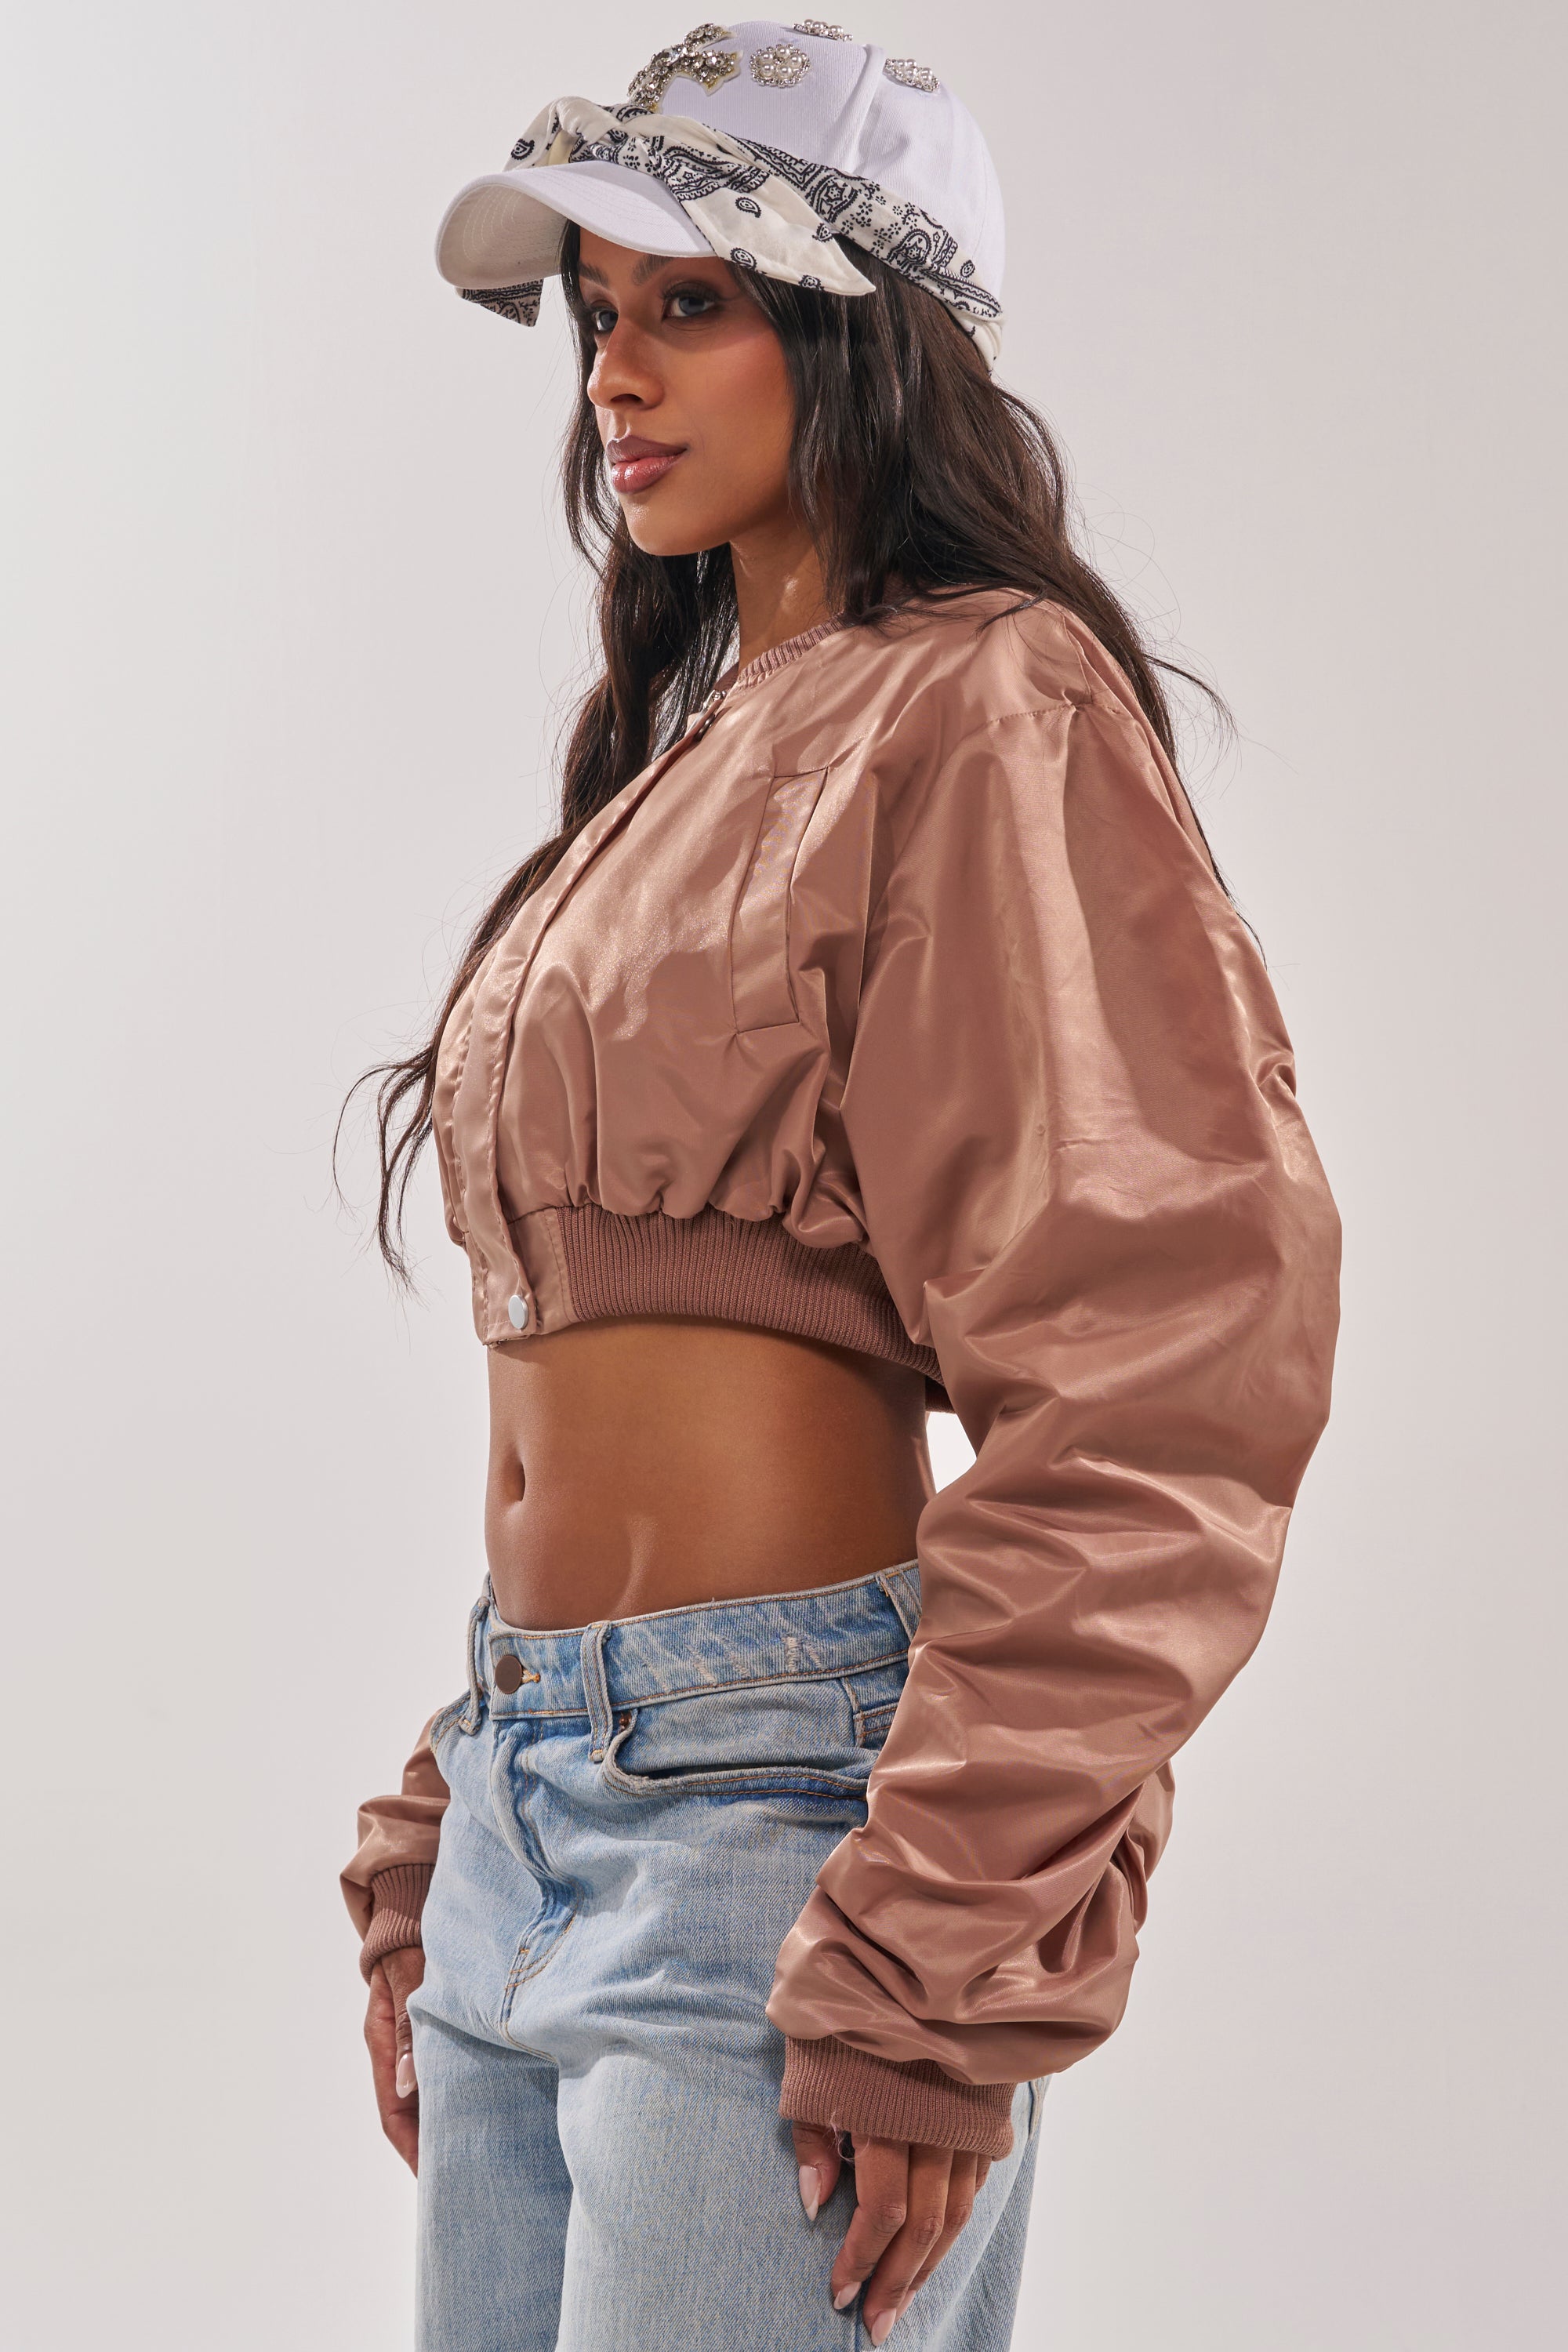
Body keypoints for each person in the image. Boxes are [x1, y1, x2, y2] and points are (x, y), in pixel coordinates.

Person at [338, 22, 1341, 2350]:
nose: (616, 370)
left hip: (789, 1845)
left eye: (689, 300)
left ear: (866, 325)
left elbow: (1163, 1373)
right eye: (598, 311)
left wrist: (946, 1934)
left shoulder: (982, 705)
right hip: (537, 1799)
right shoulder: (683, 748)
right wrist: (452, 1789)